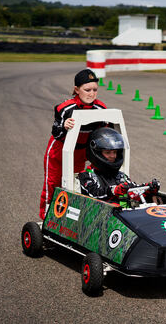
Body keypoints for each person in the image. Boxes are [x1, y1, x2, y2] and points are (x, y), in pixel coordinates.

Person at [39, 69, 108, 220]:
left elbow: (102, 135)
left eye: (95, 90)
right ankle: (45, 220)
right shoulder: (65, 108)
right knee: (53, 185)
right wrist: (64, 125)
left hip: (80, 154)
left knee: (76, 186)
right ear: (77, 90)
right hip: (59, 151)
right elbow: (55, 132)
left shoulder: (101, 109)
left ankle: (69, 220)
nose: (91, 94)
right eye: (87, 90)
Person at [78, 127, 160, 205]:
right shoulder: (86, 175)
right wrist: (114, 191)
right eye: (108, 152)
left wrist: (146, 189)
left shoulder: (121, 176)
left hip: (118, 214)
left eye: (114, 152)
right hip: (97, 214)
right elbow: (94, 194)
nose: (113, 156)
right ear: (97, 153)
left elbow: (128, 201)